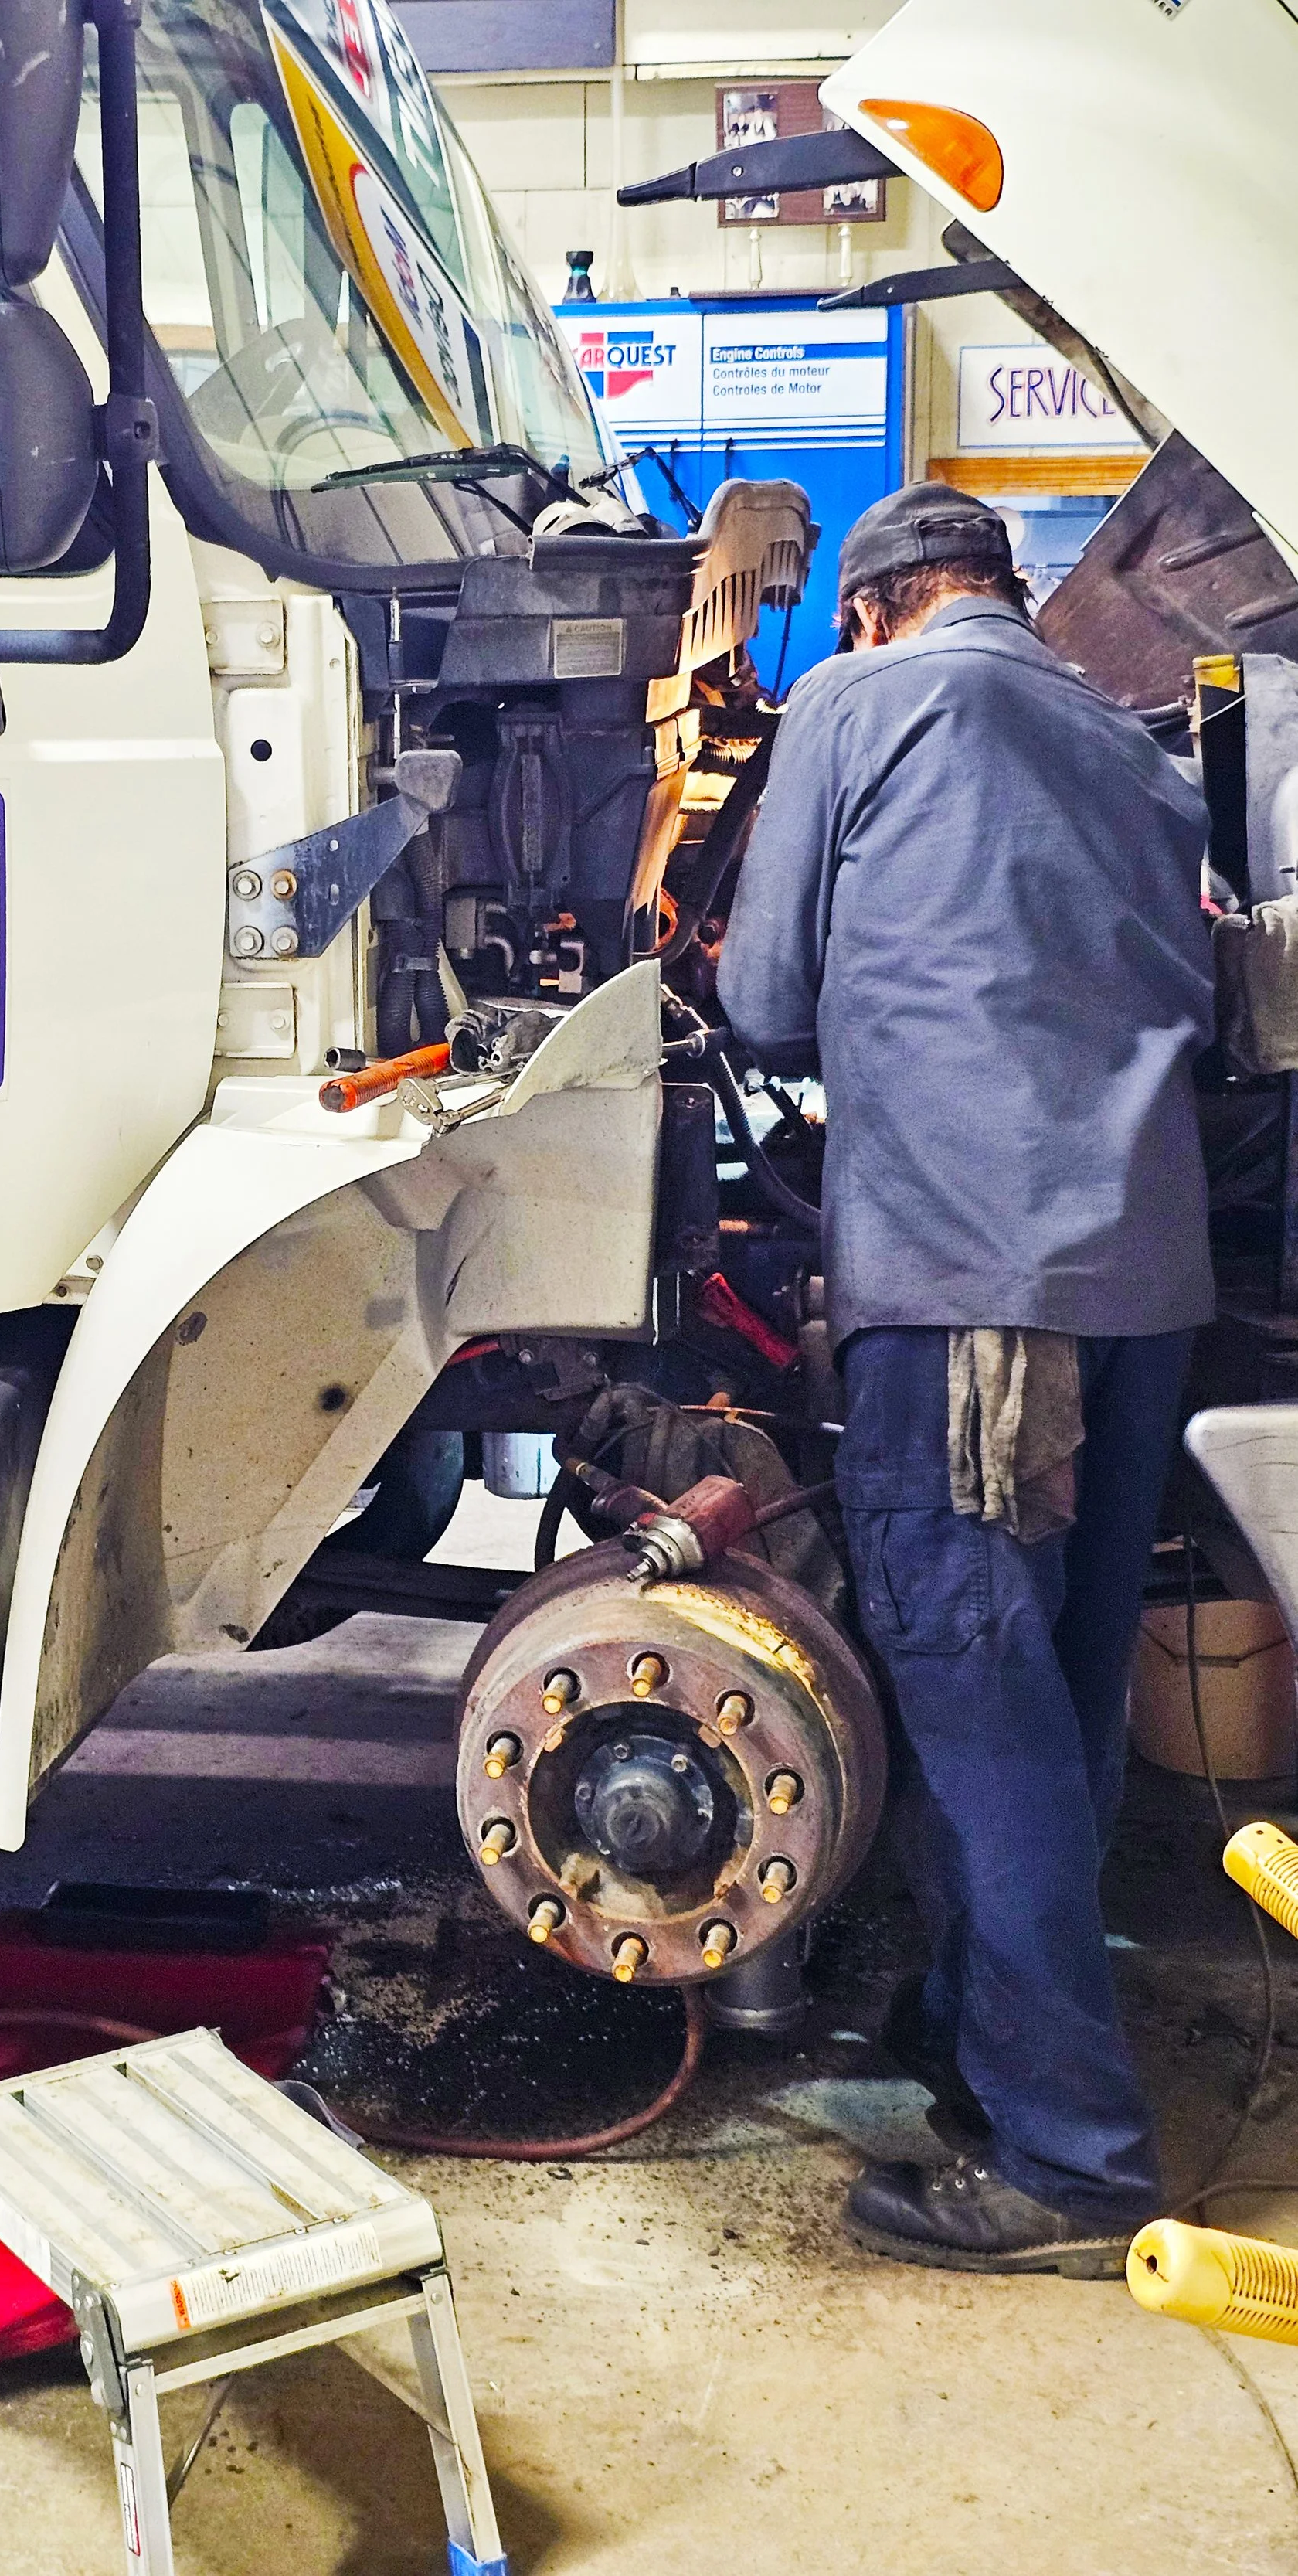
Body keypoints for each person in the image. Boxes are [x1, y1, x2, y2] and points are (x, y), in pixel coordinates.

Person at [717, 483, 1215, 2275]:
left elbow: (767, 995)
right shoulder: (1134, 738)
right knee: (1060, 1696)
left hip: (969, 1279)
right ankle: (969, 2026)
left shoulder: (857, 704)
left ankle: (1070, 2163)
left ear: (868, 611)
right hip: (1138, 1279)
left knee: (969, 1692)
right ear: (998, 591)